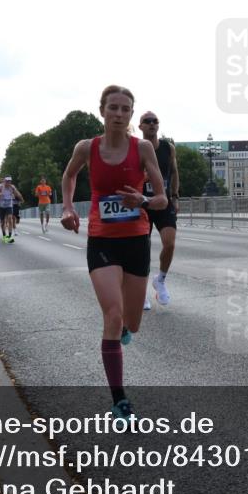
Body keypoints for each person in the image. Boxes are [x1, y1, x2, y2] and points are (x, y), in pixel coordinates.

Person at [60, 85, 168, 424]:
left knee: (131, 323)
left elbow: (163, 199)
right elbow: (69, 175)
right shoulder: (86, 147)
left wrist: (145, 201)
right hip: (102, 240)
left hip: (136, 240)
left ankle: (124, 328)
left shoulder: (144, 148)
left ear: (131, 115)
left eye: (125, 109)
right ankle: (119, 400)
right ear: (102, 111)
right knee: (112, 316)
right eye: (113, 108)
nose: (119, 114)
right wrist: (66, 208)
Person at [138, 111, 180, 311]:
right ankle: (141, 292)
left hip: (163, 202)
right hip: (144, 203)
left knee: (169, 243)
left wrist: (175, 196)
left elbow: (173, 172)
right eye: (147, 121)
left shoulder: (167, 148)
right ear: (141, 127)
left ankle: (160, 280)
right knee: (142, 250)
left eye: (155, 121)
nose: (152, 124)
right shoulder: (136, 148)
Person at [0, 177, 23, 243]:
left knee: (10, 219)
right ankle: (4, 236)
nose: (8, 183)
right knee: (3, 222)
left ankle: (9, 236)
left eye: (9, 181)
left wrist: (21, 198)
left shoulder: (12, 187)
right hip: (1, 207)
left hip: (9, 206)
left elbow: (17, 193)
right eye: (7, 181)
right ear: (4, 181)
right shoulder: (0, 187)